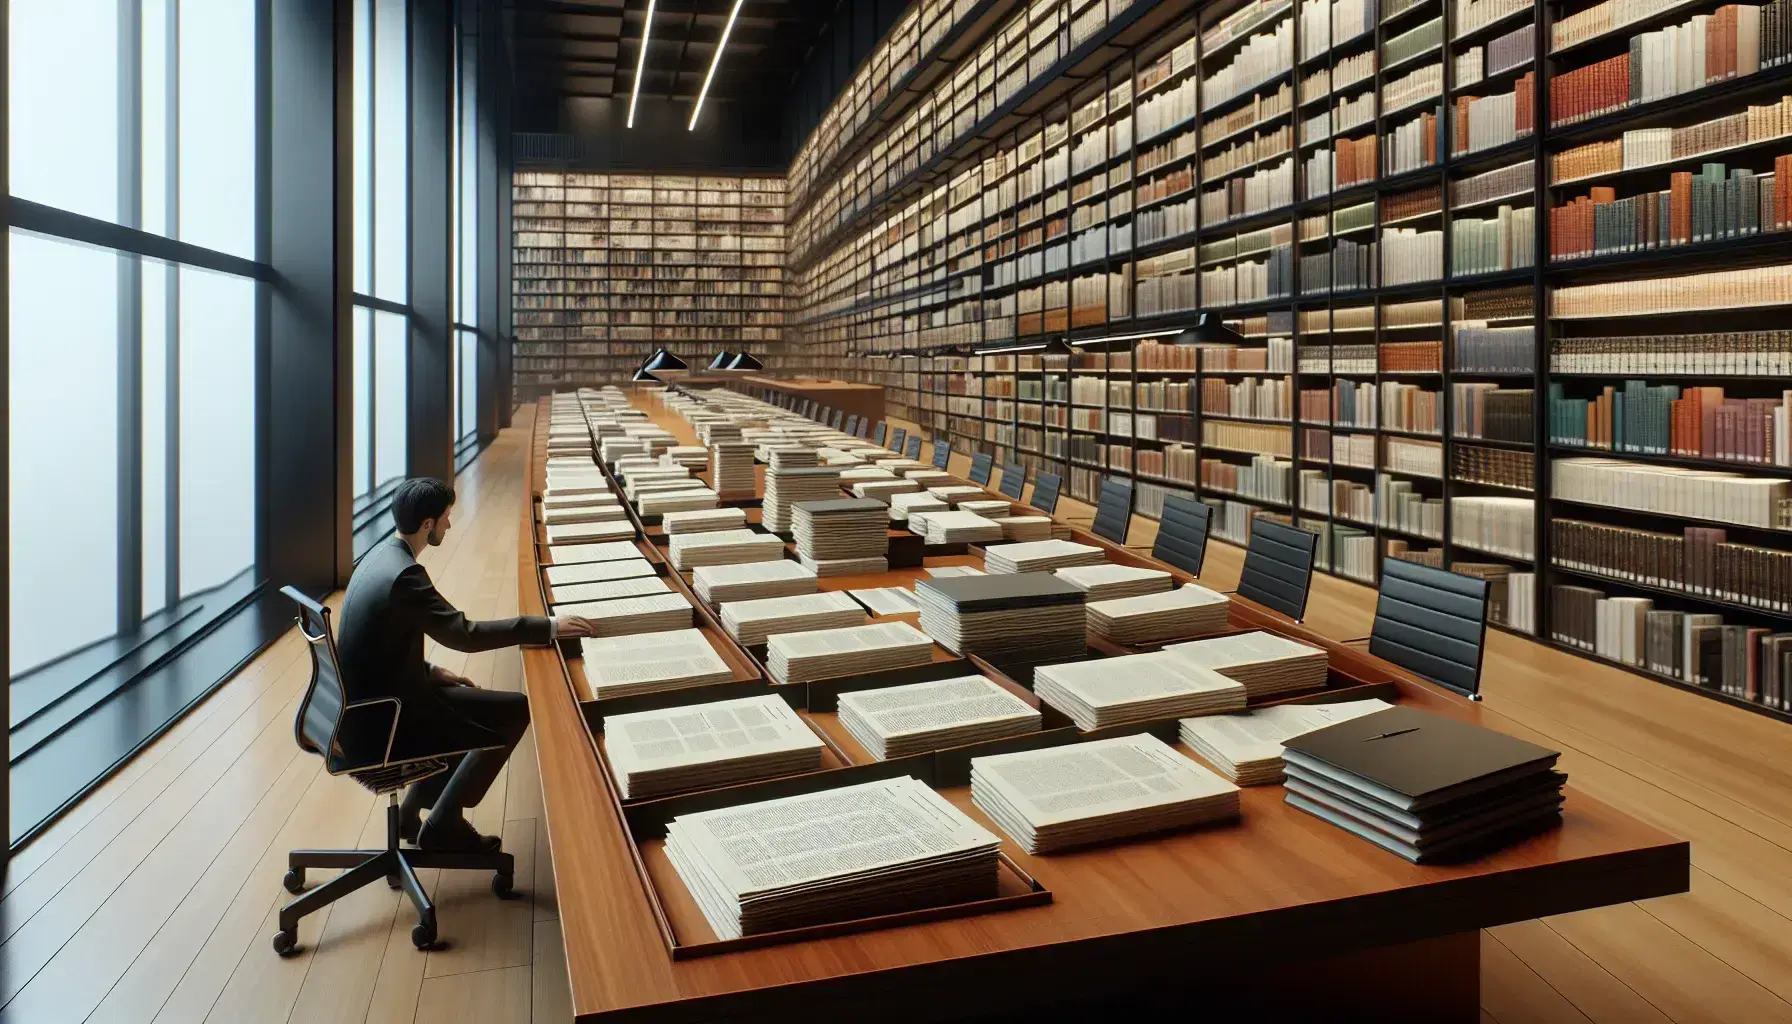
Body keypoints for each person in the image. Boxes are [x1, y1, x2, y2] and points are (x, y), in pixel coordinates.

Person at [335, 477, 599, 852]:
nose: (449, 524)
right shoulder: (405, 576)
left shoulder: (378, 557)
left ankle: (411, 810)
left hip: (364, 706)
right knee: (513, 710)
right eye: (445, 517)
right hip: (385, 722)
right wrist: (549, 626)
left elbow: (371, 643)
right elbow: (465, 635)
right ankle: (444, 821)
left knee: (463, 701)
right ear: (427, 525)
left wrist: (430, 672)